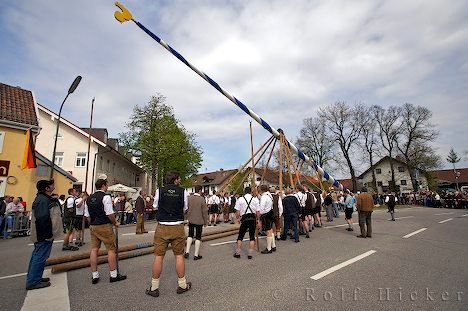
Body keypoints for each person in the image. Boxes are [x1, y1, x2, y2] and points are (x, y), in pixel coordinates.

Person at [147, 171, 191, 297]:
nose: (180, 180)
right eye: (180, 178)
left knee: (159, 257)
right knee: (179, 256)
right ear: (176, 179)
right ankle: (182, 285)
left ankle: (154, 287)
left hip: (162, 226)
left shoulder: (159, 190)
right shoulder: (183, 191)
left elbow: (155, 206)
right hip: (177, 226)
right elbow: (185, 208)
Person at [85, 178, 126, 284]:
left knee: (94, 249)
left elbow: (87, 215)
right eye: (106, 185)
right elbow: (109, 213)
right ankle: (113, 275)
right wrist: (115, 223)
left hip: (93, 225)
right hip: (104, 225)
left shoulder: (89, 198)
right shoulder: (106, 197)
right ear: (103, 186)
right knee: (111, 249)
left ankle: (94, 275)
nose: (107, 187)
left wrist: (92, 223)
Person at [26, 180, 61, 290]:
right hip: (43, 234)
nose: (53, 187)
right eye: (51, 186)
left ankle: (36, 278)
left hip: (43, 234)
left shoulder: (44, 199)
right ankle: (33, 281)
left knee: (39, 256)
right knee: (40, 257)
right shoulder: (43, 200)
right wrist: (48, 234)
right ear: (46, 188)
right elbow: (42, 219)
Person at [233, 186, 260, 259]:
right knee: (252, 236)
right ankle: (250, 254)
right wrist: (258, 220)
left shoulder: (240, 199)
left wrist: (238, 219)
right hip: (252, 218)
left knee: (240, 236)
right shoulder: (255, 199)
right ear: (251, 192)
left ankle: (238, 253)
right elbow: (258, 212)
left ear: (244, 192)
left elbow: (237, 211)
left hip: (244, 218)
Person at [184, 185, 208, 260]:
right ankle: (196, 255)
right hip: (199, 220)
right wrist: (205, 222)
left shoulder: (189, 198)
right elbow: (204, 212)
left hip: (190, 219)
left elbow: (186, 209)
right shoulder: (202, 199)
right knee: (198, 237)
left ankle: (187, 251)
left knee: (190, 235)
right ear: (200, 190)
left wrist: (186, 218)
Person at [258, 185, 276, 254]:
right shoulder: (269, 195)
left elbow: (261, 208)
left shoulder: (264, 197)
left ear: (262, 190)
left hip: (266, 214)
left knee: (268, 231)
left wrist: (260, 216)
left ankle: (269, 248)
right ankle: (273, 246)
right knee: (270, 230)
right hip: (270, 213)